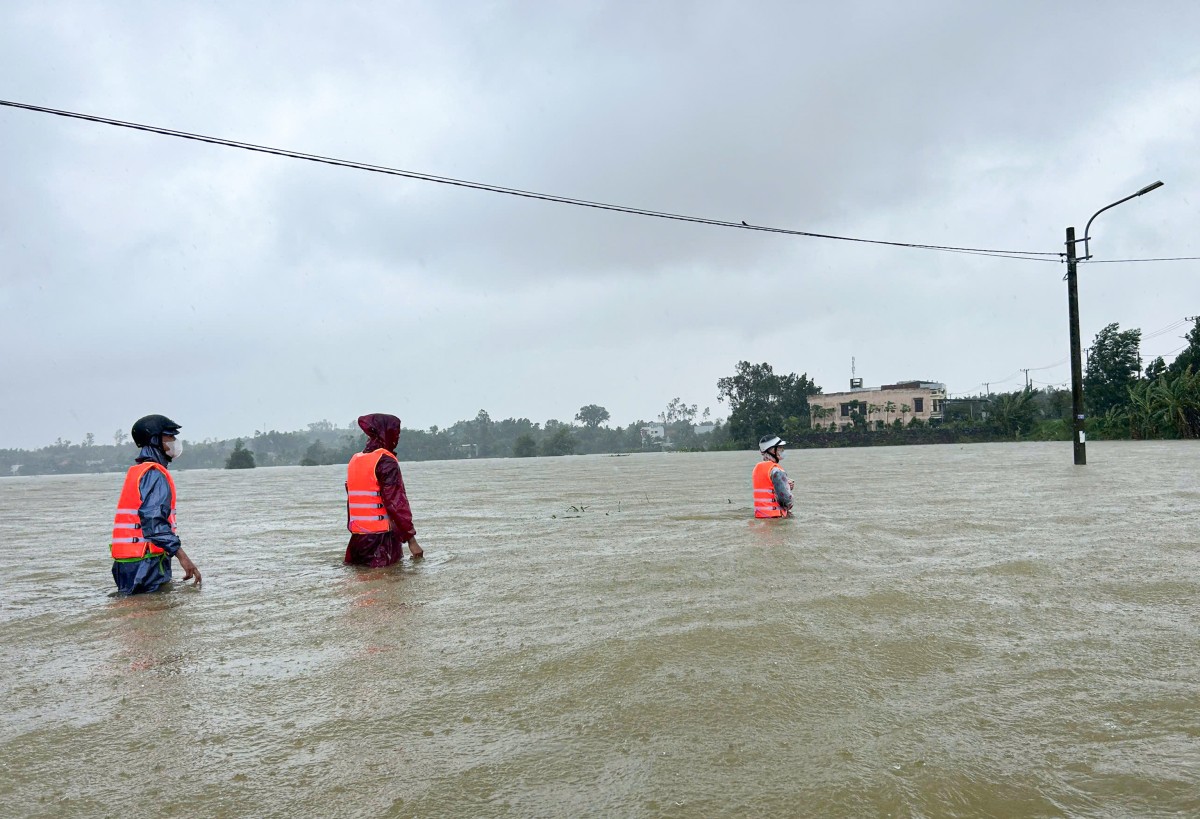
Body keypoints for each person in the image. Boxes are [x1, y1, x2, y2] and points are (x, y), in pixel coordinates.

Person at [110, 414, 202, 594]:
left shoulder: (137, 472)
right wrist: (183, 557)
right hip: (146, 561)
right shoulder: (154, 474)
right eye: (170, 436)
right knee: (151, 615)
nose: (175, 442)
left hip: (126, 562)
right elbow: (153, 523)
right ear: (155, 440)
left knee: (135, 611)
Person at [344, 413, 424, 567]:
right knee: (391, 585)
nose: (397, 438)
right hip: (381, 541)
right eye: (396, 433)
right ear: (386, 433)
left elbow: (352, 502)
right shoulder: (385, 461)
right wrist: (412, 541)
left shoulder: (355, 460)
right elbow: (396, 504)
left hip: (357, 542)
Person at [752, 434, 795, 518]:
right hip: (776, 518)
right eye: (780, 448)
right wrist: (788, 488)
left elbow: (767, 487)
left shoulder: (756, 468)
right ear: (772, 450)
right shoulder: (776, 470)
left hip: (760, 516)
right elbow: (786, 501)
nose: (782, 450)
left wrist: (785, 483)